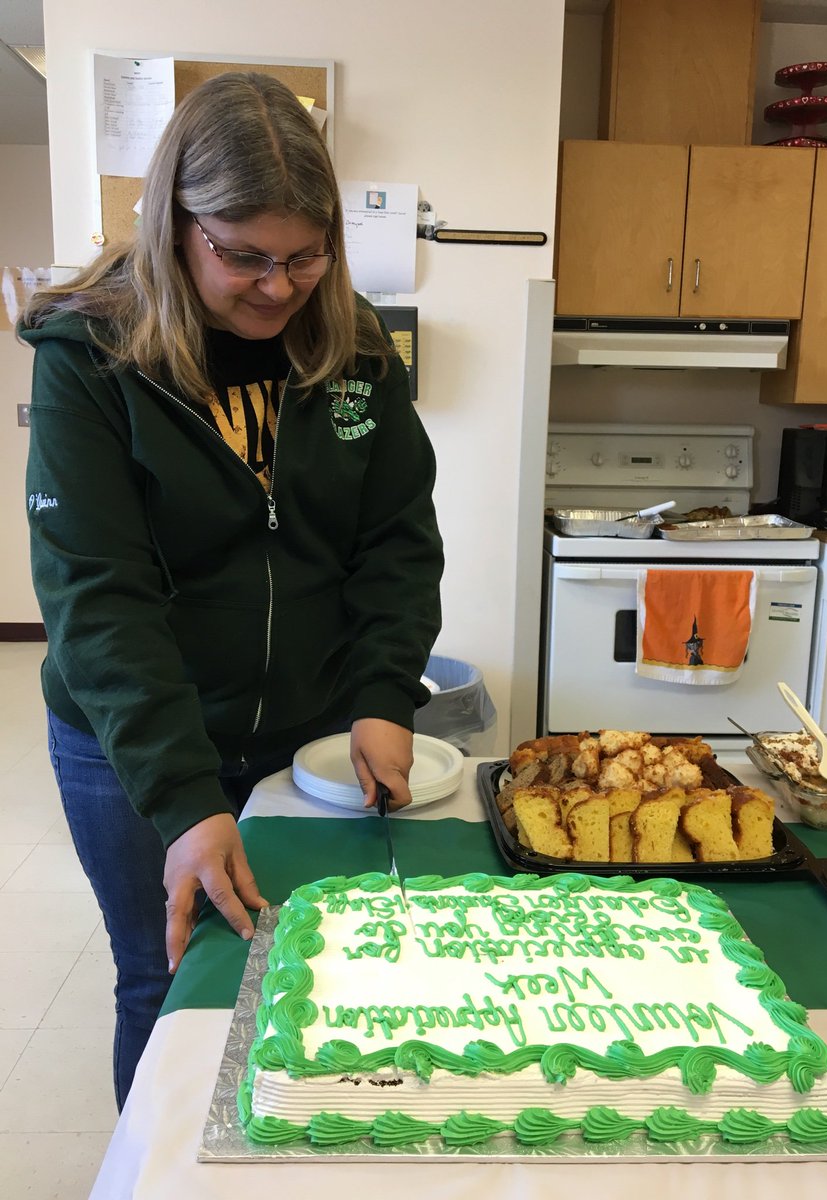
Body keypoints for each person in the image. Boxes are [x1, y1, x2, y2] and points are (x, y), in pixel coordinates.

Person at [19, 71, 443, 1110]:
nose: (278, 286)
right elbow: (100, 595)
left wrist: (384, 692)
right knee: (168, 984)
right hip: (134, 745)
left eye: (305, 256)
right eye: (244, 255)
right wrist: (182, 798)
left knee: (318, 979)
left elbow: (395, 540)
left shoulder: (354, 350)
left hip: (302, 730)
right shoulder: (92, 356)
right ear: (175, 222)